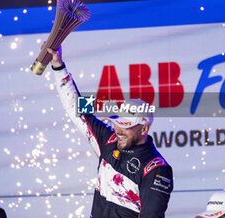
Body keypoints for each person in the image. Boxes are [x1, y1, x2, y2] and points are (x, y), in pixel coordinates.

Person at [46, 46, 173, 218]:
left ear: (144, 128)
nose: (119, 130)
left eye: (126, 125)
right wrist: (59, 66)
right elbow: (78, 111)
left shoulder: (156, 168)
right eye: (118, 123)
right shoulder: (108, 140)